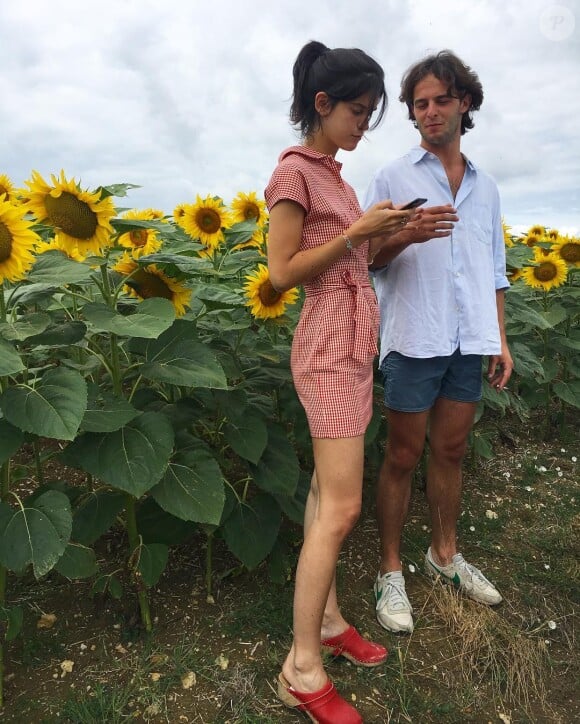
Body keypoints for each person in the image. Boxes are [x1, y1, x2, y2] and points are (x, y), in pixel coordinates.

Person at [265, 40, 429, 723]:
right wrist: (359, 230)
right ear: (323, 105)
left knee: (322, 494)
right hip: (328, 344)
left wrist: (398, 235)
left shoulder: (335, 175)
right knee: (343, 508)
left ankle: (328, 624)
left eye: (371, 114)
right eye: (358, 112)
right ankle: (300, 669)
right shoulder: (293, 175)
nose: (365, 124)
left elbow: (352, 261)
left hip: (353, 340)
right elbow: (283, 273)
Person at [364, 49, 513, 635]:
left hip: (468, 337)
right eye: (419, 103)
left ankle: (444, 554)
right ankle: (391, 569)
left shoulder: (488, 187)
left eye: (440, 100)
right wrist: (407, 234)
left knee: (450, 451)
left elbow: (495, 270)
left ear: (465, 103)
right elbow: (366, 259)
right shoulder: (391, 178)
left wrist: (499, 340)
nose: (429, 111)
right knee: (402, 455)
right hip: (414, 335)